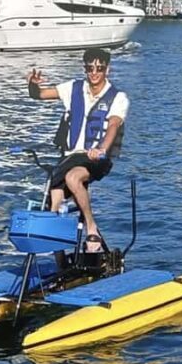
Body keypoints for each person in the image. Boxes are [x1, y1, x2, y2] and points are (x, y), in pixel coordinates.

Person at [27, 48, 129, 252]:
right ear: (85, 69)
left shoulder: (118, 98)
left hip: (96, 158)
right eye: (90, 68)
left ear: (107, 70)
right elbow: (38, 95)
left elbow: (113, 126)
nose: (94, 72)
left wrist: (101, 149)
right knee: (54, 200)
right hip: (69, 157)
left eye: (99, 68)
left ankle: (92, 227)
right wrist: (32, 84)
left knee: (73, 178)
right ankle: (60, 258)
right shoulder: (72, 88)